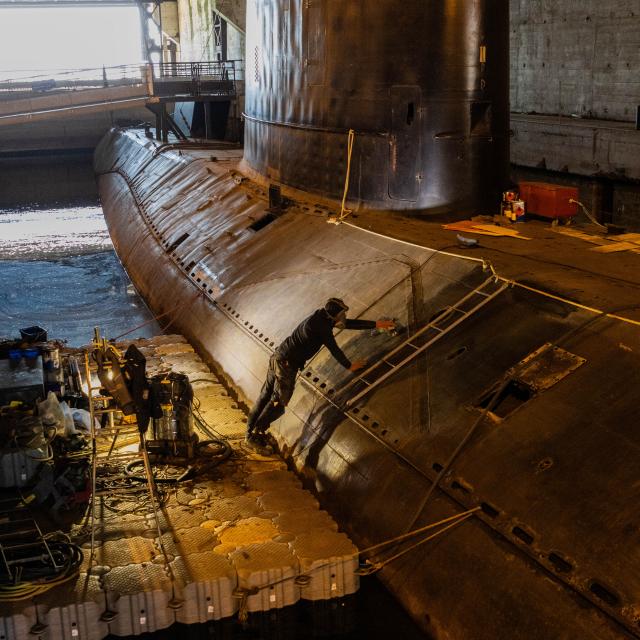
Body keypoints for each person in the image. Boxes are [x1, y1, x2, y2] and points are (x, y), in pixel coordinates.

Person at [245, 298, 395, 454]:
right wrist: (349, 366)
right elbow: (334, 348)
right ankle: (256, 435)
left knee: (265, 396)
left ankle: (249, 432)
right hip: (286, 365)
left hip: (279, 356)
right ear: (334, 315)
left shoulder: (321, 316)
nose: (343, 317)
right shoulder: (321, 327)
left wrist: (377, 324)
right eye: (342, 314)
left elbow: (348, 324)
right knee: (279, 401)